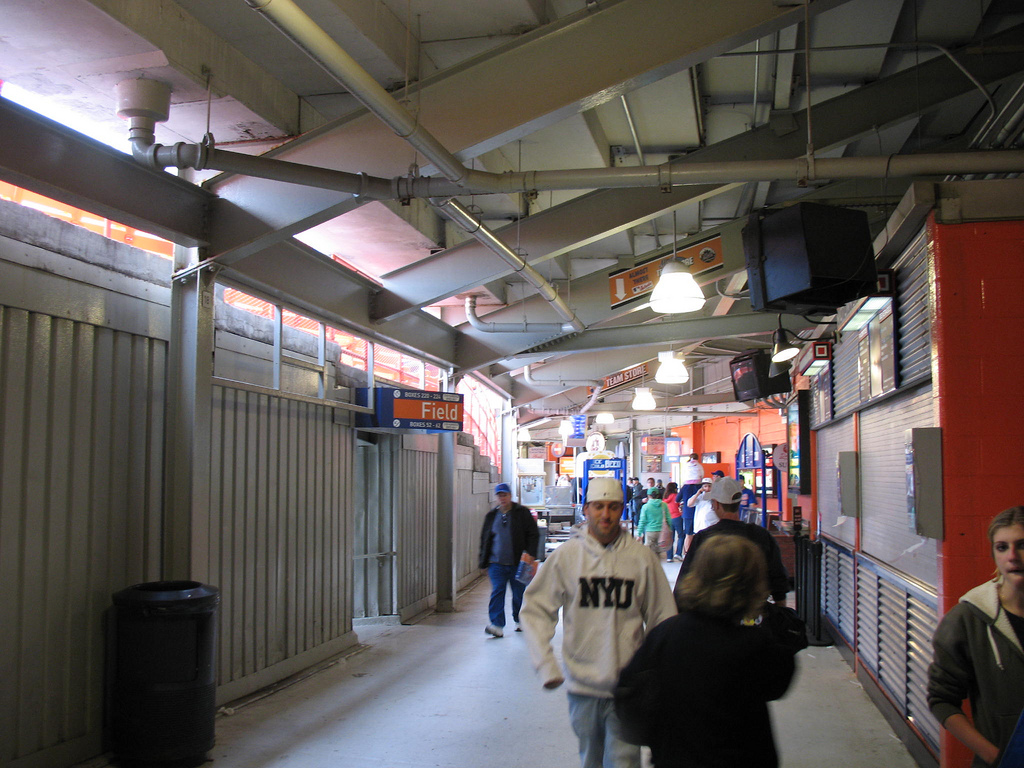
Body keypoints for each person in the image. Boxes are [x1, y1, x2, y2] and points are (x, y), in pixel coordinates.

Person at [521, 476, 677, 768]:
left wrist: (661, 678)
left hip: (628, 690)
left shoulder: (642, 559)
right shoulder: (567, 557)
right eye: (599, 507)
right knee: (590, 761)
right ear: (586, 509)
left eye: (614, 507)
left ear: (623, 509)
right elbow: (535, 609)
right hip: (583, 689)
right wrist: (546, 665)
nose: (606, 515)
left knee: (624, 763)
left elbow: (663, 619)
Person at [615, 535, 797, 768]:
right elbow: (779, 681)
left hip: (675, 758)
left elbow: (628, 690)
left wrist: (657, 735)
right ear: (750, 584)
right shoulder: (755, 644)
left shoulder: (667, 634)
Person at [928, 506, 1024, 768]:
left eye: (1022, 545)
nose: (1013, 556)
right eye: (1002, 547)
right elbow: (941, 700)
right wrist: (995, 756)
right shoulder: (968, 620)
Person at [675, 477, 789, 605]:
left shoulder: (703, 538)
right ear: (738, 503)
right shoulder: (761, 535)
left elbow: (684, 584)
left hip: (712, 614)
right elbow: (778, 582)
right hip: (753, 613)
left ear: (716, 504)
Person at [478, 482, 539, 638]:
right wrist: (483, 562)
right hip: (496, 563)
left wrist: (531, 554)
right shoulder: (491, 516)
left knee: (518, 593)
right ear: (497, 498)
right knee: (497, 591)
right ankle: (497, 625)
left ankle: (520, 620)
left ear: (510, 496)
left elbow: (533, 534)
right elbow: (485, 539)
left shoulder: (522, 513)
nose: (502, 498)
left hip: (518, 563)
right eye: (500, 495)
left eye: (505, 495)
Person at [637, 486, 670, 556]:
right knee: (658, 553)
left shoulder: (646, 507)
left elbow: (642, 521)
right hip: (662, 532)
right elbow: (668, 519)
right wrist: (669, 529)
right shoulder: (664, 505)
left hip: (650, 532)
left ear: (648, 495)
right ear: (658, 495)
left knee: (649, 554)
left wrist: (639, 533)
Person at [664, 482, 683, 562]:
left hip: (668, 519)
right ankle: (678, 553)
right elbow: (679, 504)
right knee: (681, 536)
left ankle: (669, 557)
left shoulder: (665, 498)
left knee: (670, 538)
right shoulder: (676, 496)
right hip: (677, 517)